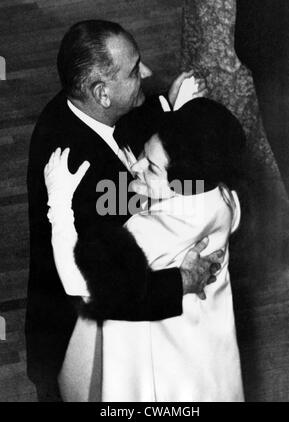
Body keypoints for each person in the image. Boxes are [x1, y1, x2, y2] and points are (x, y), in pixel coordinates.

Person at [26, 19, 222, 401]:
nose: (146, 74)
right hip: (79, 339)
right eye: (134, 71)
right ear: (101, 92)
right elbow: (102, 285)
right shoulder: (82, 175)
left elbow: (130, 131)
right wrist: (181, 284)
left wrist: (169, 109)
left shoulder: (78, 105)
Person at [44, 98, 246, 402]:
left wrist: (58, 206)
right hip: (204, 341)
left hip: (157, 346)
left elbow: (81, 282)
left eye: (150, 168)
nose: (135, 166)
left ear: (183, 183)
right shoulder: (219, 194)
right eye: (144, 153)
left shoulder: (152, 231)